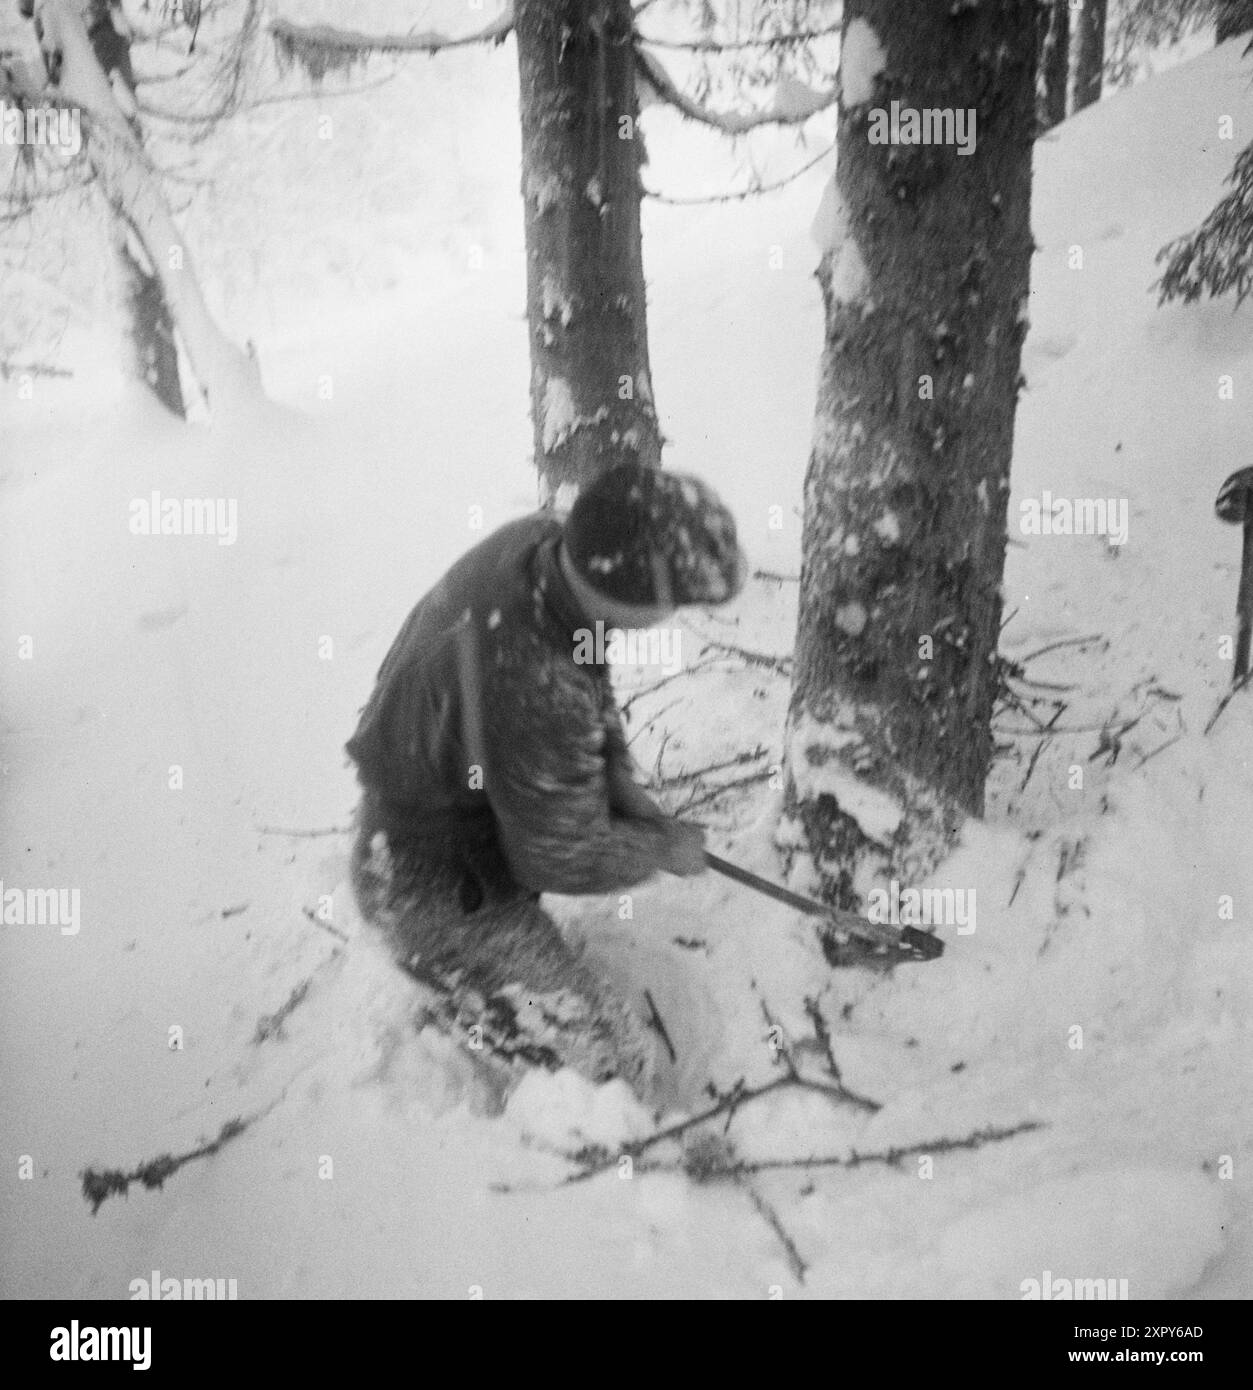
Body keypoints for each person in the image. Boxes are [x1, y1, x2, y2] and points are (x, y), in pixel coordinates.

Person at [346, 459, 747, 1090]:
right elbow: (559, 859)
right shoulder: (532, 678)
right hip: (423, 885)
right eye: (673, 605)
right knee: (615, 1068)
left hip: (443, 820)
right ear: (634, 600)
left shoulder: (544, 547)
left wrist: (614, 774)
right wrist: (663, 848)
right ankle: (455, 983)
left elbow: (586, 671)